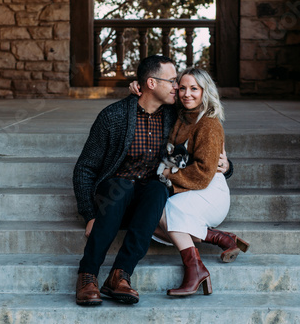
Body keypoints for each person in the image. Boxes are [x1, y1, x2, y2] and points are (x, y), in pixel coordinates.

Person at [73, 55, 231, 306]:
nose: (178, 88)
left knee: (158, 190)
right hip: (115, 194)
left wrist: (227, 167)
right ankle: (88, 275)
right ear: (150, 83)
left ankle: (120, 275)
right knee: (122, 186)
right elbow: (84, 168)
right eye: (172, 82)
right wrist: (89, 213)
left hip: (148, 201)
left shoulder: (174, 116)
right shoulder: (113, 116)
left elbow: (204, 136)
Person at [130, 67, 249, 297]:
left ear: (205, 91)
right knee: (150, 216)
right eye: (182, 88)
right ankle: (219, 238)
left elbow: (204, 172)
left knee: (166, 211)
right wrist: (137, 88)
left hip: (209, 191)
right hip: (189, 187)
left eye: (194, 88)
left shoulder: (209, 123)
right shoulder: (179, 116)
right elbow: (153, 97)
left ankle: (195, 269)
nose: (187, 94)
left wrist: (166, 178)